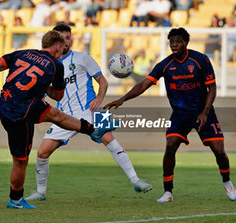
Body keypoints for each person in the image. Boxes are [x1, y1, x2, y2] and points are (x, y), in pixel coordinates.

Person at [0, 30, 114, 209]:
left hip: (7, 103)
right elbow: (60, 96)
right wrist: (48, 87)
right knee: (21, 160)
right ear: (58, 46)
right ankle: (15, 199)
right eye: (64, 45)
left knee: (56, 115)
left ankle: (93, 130)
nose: (64, 49)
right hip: (20, 114)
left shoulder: (21, 53)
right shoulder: (58, 65)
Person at [104, 27, 236, 203]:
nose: (174, 45)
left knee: (219, 151)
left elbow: (212, 88)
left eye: (178, 41)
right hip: (180, 114)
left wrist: (205, 112)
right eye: (171, 42)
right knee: (171, 145)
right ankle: (168, 192)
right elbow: (144, 84)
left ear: (186, 43)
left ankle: (227, 181)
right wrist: (122, 99)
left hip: (203, 112)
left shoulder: (200, 60)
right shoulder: (165, 64)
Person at [25, 24, 152, 202]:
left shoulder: (83, 57)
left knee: (109, 138)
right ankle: (40, 192)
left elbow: (103, 82)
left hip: (91, 109)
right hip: (64, 115)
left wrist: (99, 99)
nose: (67, 41)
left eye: (69, 37)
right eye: (63, 38)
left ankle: (136, 181)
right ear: (55, 41)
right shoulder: (48, 65)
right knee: (42, 153)